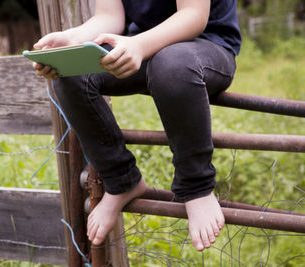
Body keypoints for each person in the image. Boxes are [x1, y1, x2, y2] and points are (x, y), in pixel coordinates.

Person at [33, 0, 241, 252]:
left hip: (206, 46)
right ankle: (121, 180)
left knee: (171, 63)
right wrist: (71, 39)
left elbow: (194, 16)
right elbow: (109, 17)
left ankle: (197, 187)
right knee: (70, 71)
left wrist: (138, 45)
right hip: (139, 45)